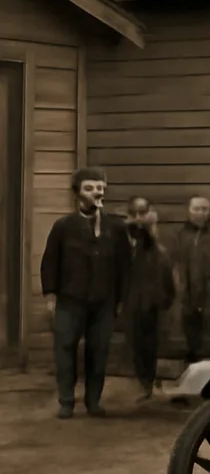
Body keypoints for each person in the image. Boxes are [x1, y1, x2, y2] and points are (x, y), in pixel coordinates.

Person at [40, 167, 132, 418]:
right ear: (77, 194)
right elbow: (50, 262)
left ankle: (94, 401)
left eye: (100, 188)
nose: (96, 193)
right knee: (65, 349)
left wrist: (120, 300)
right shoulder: (63, 226)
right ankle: (66, 402)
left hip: (104, 302)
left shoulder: (115, 227)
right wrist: (51, 296)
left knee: (98, 351)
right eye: (89, 188)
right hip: (70, 300)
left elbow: (125, 265)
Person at [124, 197, 177, 402]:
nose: (138, 218)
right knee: (137, 343)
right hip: (134, 300)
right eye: (134, 213)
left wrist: (167, 297)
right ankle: (143, 383)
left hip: (157, 300)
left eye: (142, 213)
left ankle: (153, 382)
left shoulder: (159, 239)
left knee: (155, 343)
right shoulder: (127, 237)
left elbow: (167, 267)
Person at [170, 196, 210, 366]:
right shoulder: (181, 234)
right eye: (195, 209)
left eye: (204, 209)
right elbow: (175, 261)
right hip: (186, 286)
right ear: (188, 211)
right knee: (187, 323)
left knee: (209, 324)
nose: (200, 213)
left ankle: (206, 359)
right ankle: (189, 356)